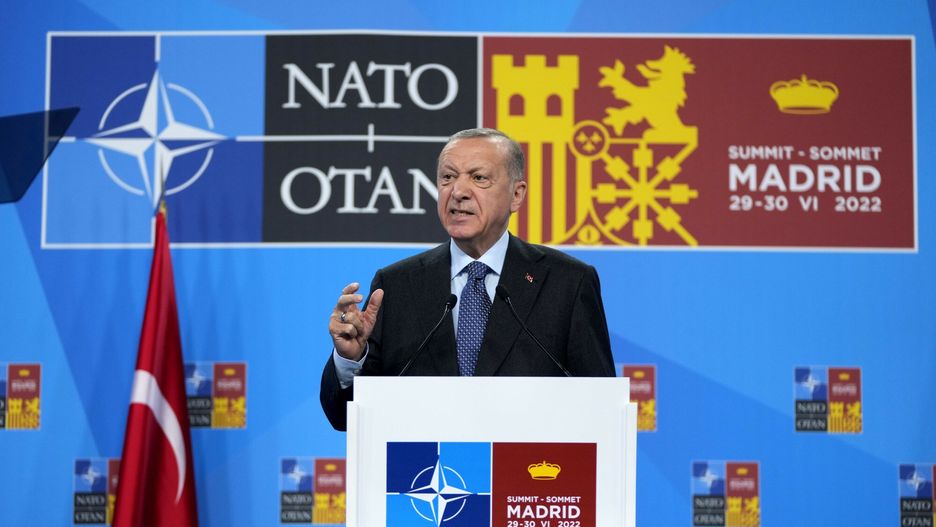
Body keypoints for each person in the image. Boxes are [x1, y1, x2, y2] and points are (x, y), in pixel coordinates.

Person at [320, 128, 616, 431]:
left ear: (517, 194)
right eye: (447, 177)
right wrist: (350, 360)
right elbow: (343, 418)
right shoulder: (396, 285)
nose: (458, 191)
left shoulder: (567, 283)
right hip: (425, 473)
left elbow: (601, 411)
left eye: (479, 178)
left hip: (529, 471)